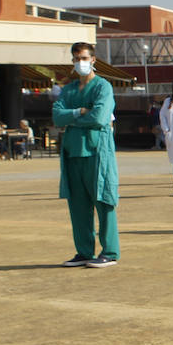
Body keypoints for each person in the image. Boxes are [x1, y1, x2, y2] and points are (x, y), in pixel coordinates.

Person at [52, 43, 120, 268]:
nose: (79, 62)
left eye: (83, 58)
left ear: (93, 60)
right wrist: (78, 112)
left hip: (97, 152)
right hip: (73, 153)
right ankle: (84, 251)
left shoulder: (103, 87)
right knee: (78, 205)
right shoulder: (69, 89)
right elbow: (57, 116)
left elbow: (100, 117)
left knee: (103, 200)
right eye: (75, 59)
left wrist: (72, 120)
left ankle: (109, 251)